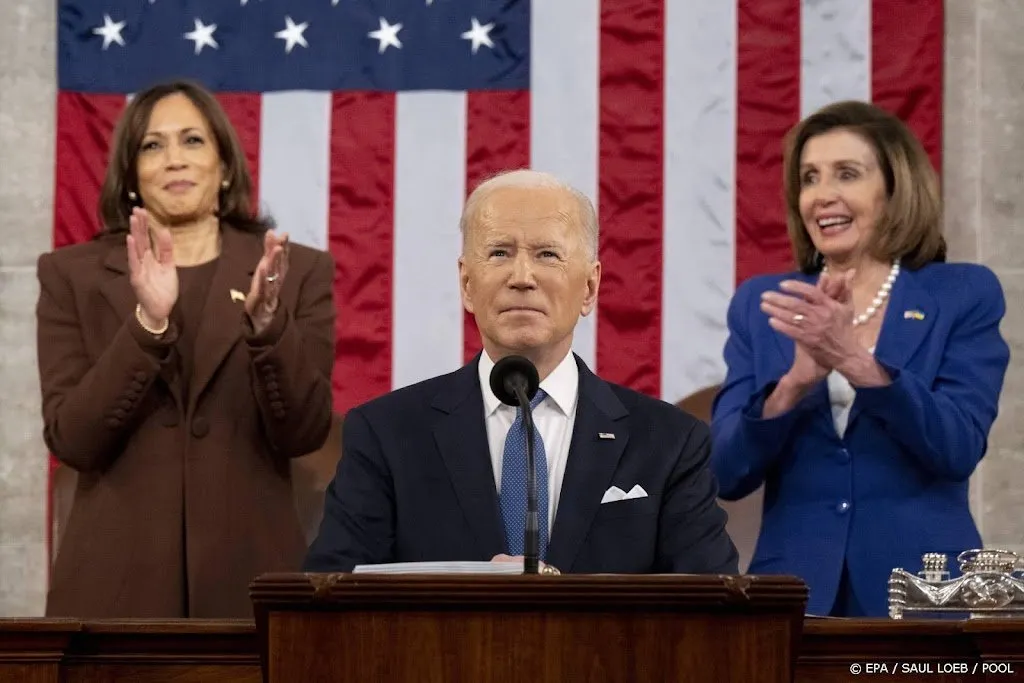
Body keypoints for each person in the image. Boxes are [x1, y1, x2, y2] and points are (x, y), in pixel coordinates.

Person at [304, 169, 738, 575]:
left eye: (547, 254)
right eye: (499, 253)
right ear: (467, 284)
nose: (522, 277)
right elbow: (332, 596)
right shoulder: (386, 434)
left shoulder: (668, 442)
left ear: (589, 287)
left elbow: (713, 608)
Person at [36, 79, 336, 618]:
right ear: (130, 175)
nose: (174, 158)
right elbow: (72, 440)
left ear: (224, 168)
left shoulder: (296, 273)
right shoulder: (71, 276)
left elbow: (304, 431)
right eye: (152, 145)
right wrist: (148, 324)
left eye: (193, 141)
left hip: (251, 588)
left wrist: (268, 326)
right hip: (113, 593)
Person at [710, 100, 1009, 617]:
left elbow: (957, 446)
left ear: (894, 191)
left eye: (847, 174)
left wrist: (856, 361)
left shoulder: (962, 293)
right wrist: (794, 384)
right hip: (795, 599)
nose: (823, 195)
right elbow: (726, 471)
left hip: (923, 593)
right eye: (809, 178)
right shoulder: (765, 306)